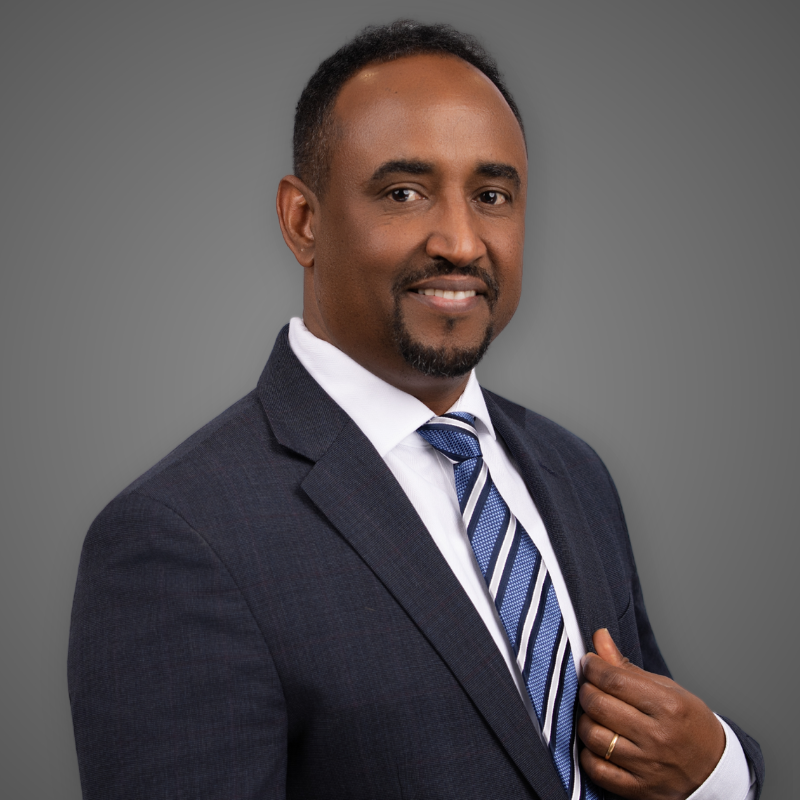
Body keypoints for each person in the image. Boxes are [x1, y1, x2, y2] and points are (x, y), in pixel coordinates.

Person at [68, 20, 764, 800]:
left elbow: (646, 752)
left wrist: (716, 771)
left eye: (492, 195)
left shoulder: (574, 472)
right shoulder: (179, 539)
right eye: (404, 192)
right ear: (304, 221)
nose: (462, 242)